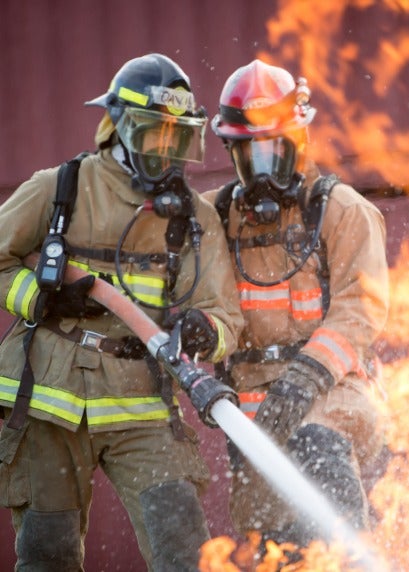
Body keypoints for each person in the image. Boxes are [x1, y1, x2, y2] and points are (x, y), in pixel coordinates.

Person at [0, 53, 243, 571]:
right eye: (154, 134)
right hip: (49, 398)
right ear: (119, 127)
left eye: (178, 139)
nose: (166, 153)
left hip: (142, 401)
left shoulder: (195, 218)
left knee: (183, 547)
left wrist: (205, 330)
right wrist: (37, 295)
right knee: (49, 552)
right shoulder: (59, 188)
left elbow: (224, 316)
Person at [204, 59, 389, 554]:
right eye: (251, 156)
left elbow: (362, 309)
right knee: (276, 547)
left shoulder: (340, 210)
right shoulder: (216, 219)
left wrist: (305, 377)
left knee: (317, 460)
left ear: (300, 143)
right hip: (254, 419)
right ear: (232, 154)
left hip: (334, 396)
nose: (263, 171)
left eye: (274, 152)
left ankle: (351, 560)